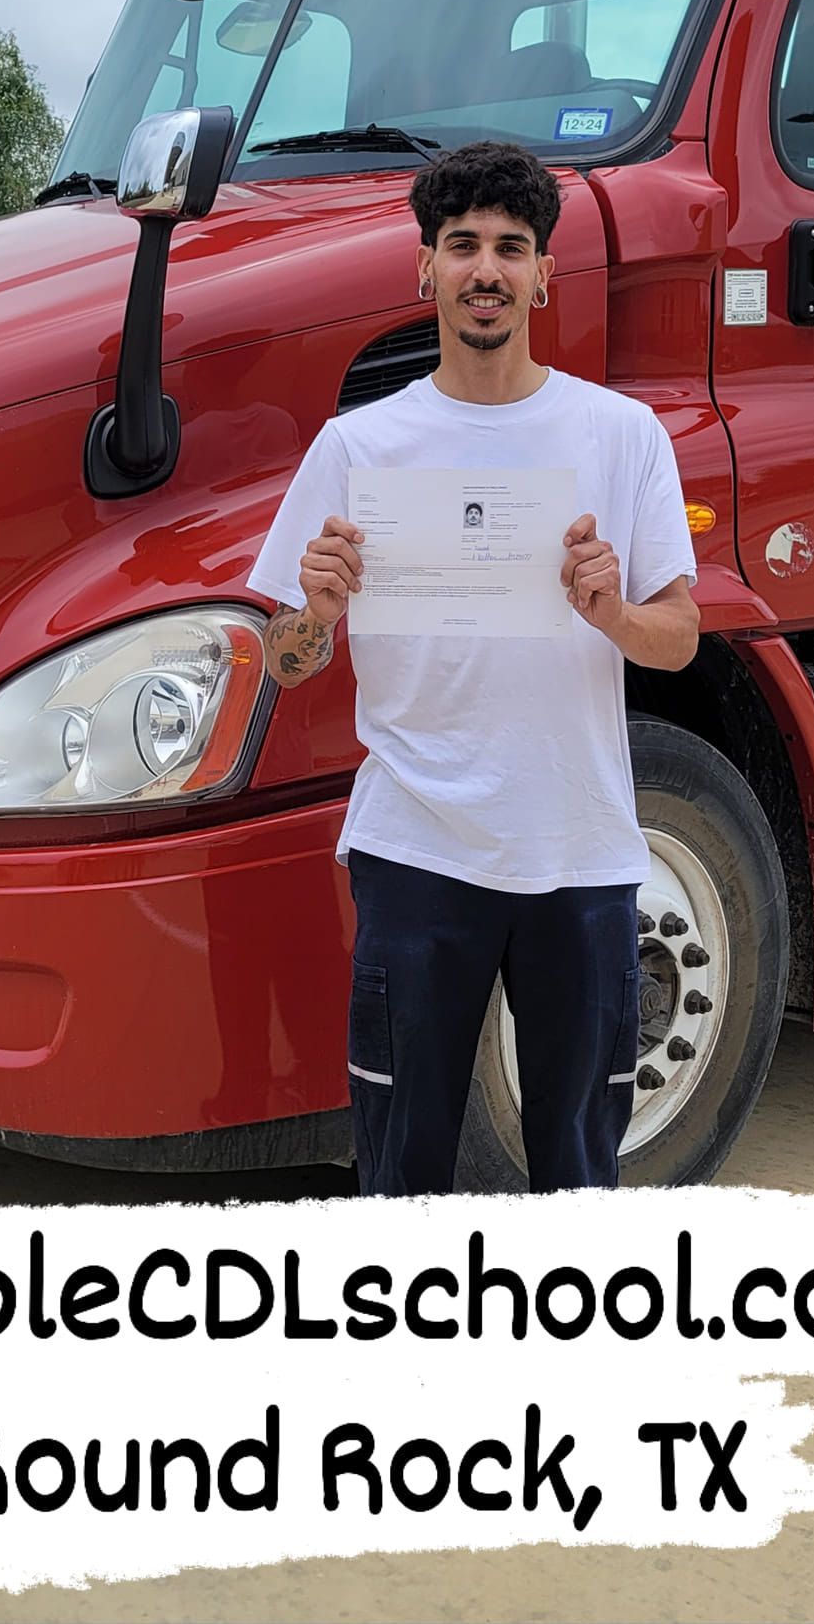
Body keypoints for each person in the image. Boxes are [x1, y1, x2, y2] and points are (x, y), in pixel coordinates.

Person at [247, 141, 700, 1198]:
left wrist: (614, 611)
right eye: (462, 246)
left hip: (579, 851)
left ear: (544, 273)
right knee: (403, 1156)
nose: (485, 269)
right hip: (414, 849)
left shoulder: (622, 436)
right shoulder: (360, 448)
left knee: (580, 1163)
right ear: (426, 269)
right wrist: (314, 612)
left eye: (510, 247)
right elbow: (285, 664)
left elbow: (678, 638)